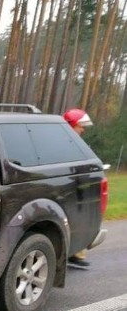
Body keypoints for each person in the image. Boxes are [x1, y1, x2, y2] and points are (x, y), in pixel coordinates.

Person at [63, 108, 94, 267]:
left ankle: (77, 252)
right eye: (80, 125)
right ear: (71, 125)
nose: (83, 129)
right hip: (67, 188)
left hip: (79, 187)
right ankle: (73, 252)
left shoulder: (78, 142)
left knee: (79, 219)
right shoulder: (64, 142)